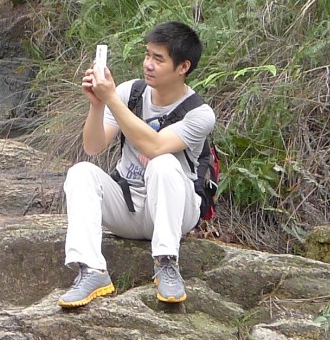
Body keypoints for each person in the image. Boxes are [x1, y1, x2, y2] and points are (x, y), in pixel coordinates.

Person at [59, 20, 217, 307]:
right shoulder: (129, 93)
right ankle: (91, 270)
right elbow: (93, 147)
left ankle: (167, 263)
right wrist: (97, 105)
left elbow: (154, 146)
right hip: (129, 208)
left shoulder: (200, 114)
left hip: (174, 211)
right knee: (80, 172)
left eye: (159, 59)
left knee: (164, 163)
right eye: (147, 55)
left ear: (183, 67)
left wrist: (110, 100)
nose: (148, 65)